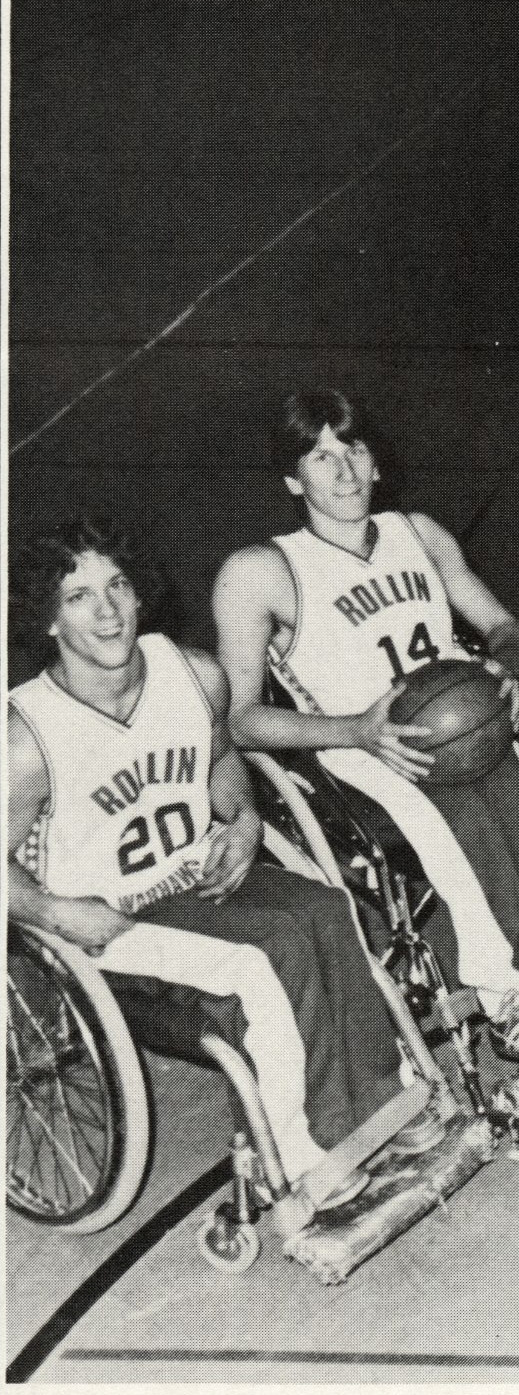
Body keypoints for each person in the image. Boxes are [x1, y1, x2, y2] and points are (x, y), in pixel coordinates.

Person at [213, 391, 519, 1069]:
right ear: (293, 479)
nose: (342, 472)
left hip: (462, 724)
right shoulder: (259, 572)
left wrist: (505, 670)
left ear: (376, 463)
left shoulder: (420, 535)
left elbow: (505, 627)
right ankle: (509, 1003)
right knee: (463, 832)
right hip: (360, 748)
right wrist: (355, 729)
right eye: (320, 457)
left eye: (354, 451)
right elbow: (239, 718)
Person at [9, 517, 440, 1206]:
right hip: (114, 922)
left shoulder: (193, 672)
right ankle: (302, 1160)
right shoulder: (26, 736)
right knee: (262, 959)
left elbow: (221, 764)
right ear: (49, 621)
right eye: (79, 597)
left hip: (199, 877)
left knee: (330, 910)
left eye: (116, 586)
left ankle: (376, 1108)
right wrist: (56, 911)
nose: (109, 610)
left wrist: (242, 822)